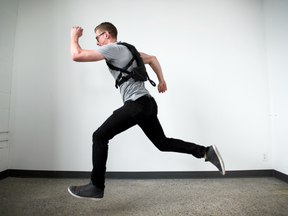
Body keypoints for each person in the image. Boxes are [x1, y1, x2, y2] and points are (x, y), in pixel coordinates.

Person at [68, 22, 225, 200]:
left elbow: (76, 55)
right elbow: (152, 59)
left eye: (97, 37)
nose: (97, 42)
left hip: (137, 105)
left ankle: (96, 186)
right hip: (148, 104)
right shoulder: (128, 51)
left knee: (99, 136)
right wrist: (161, 80)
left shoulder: (112, 48)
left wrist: (74, 37)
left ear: (106, 34)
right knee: (163, 143)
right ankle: (206, 152)